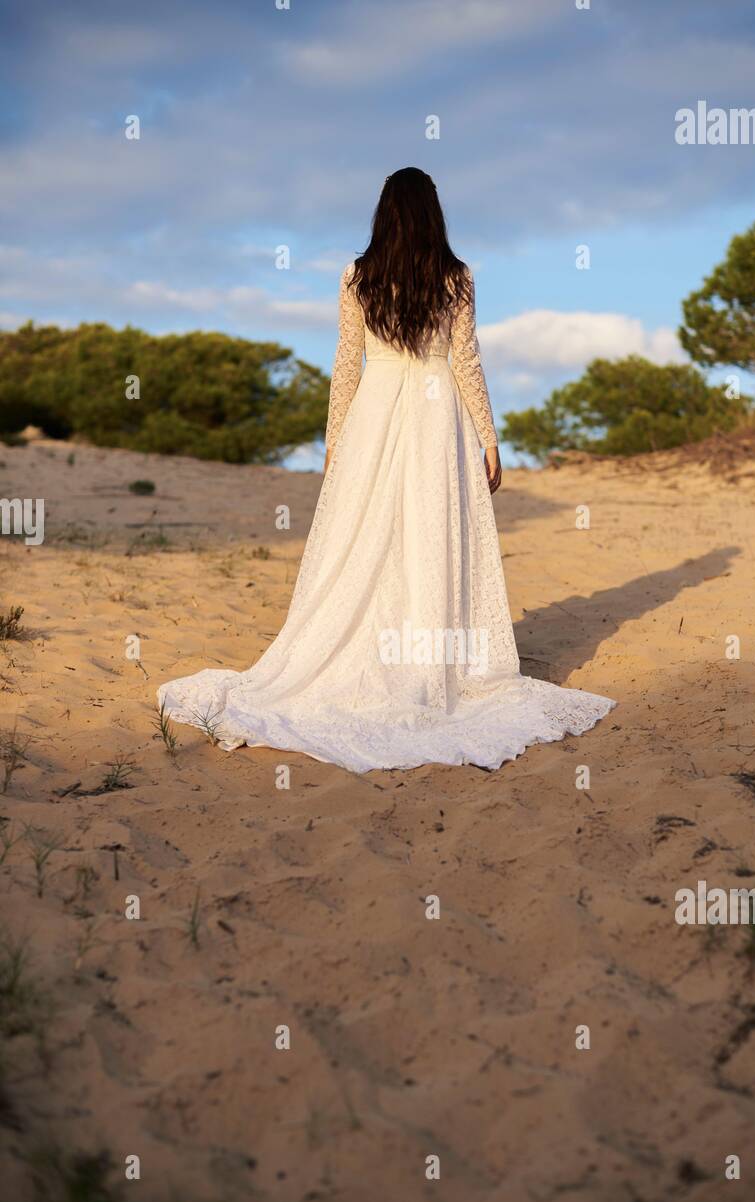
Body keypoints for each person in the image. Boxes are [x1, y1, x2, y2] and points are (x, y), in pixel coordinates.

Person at [157, 167, 614, 771]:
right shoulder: (456, 277)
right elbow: (466, 361)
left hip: (373, 411)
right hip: (434, 418)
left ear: (384, 214)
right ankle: (426, 659)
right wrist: (490, 439)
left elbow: (347, 360)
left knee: (366, 535)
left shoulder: (357, 276)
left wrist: (334, 438)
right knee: (428, 533)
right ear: (433, 214)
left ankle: (376, 648)